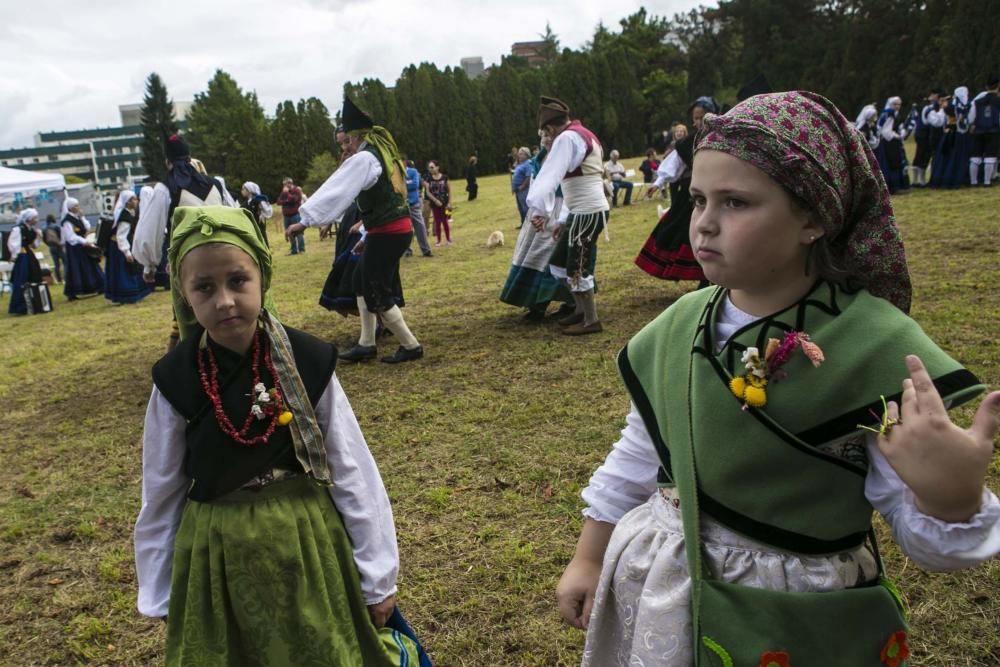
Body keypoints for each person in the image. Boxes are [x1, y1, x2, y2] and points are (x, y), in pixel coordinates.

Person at [556, 90, 1000, 667]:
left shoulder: (873, 348)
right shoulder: (676, 327)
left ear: (814, 217)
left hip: (796, 610)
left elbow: (931, 545)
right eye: (697, 200)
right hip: (667, 587)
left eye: (736, 203)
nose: (705, 225)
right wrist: (590, 556)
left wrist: (953, 495)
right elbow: (640, 452)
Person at [133, 205, 429, 666]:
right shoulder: (175, 379)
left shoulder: (307, 362)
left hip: (305, 543)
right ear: (184, 294)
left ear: (262, 277)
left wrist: (376, 577)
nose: (225, 301)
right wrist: (161, 589)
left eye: (237, 280)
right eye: (204, 288)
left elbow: (351, 467)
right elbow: (162, 489)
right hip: (218, 555)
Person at [285, 97, 424, 365]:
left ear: (356, 136)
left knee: (377, 288)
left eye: (346, 141)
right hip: (388, 230)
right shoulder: (382, 154)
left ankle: (411, 345)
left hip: (389, 232)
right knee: (362, 280)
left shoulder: (365, 159)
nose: (345, 147)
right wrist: (367, 236)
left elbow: (337, 189)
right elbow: (385, 200)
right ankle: (366, 343)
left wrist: (305, 220)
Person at [132, 133, 235, 350]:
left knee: (189, 314)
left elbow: (150, 230)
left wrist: (150, 263)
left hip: (191, 264)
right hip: (226, 257)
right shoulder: (216, 184)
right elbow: (235, 216)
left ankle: (190, 359)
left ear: (167, 161)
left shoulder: (165, 188)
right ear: (190, 157)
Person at [526, 96, 609, 336]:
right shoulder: (583, 133)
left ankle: (591, 320)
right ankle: (582, 311)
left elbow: (549, 175)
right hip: (582, 211)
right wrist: (561, 220)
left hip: (587, 212)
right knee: (560, 261)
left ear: (550, 129)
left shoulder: (567, 138)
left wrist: (540, 210)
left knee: (577, 267)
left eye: (546, 134)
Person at [634, 97, 720, 287]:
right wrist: (657, 183)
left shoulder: (724, 136)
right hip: (694, 196)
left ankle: (714, 277)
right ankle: (703, 279)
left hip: (720, 195)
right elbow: (674, 164)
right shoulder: (688, 142)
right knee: (686, 232)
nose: (698, 122)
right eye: (695, 118)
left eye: (701, 117)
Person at [499, 134, 573, 321]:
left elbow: (568, 188)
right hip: (538, 213)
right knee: (533, 256)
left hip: (558, 210)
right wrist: (536, 211)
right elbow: (536, 187)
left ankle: (569, 302)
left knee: (555, 258)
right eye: (544, 134)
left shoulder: (564, 158)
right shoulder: (538, 159)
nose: (547, 139)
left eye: (551, 135)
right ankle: (536, 303)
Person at [104, 190, 152, 305]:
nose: (136, 201)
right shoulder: (124, 216)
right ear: (128, 202)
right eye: (134, 199)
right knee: (125, 271)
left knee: (127, 271)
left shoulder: (128, 212)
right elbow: (121, 236)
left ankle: (129, 294)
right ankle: (127, 296)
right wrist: (127, 252)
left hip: (120, 246)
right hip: (120, 248)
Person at [61, 197, 105, 300]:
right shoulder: (67, 221)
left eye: (78, 205)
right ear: (70, 208)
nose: (78, 208)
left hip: (83, 246)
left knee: (91, 266)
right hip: (75, 248)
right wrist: (84, 241)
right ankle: (74, 291)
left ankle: (98, 286)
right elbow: (70, 236)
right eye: (75, 206)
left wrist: (83, 217)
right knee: (76, 268)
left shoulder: (78, 218)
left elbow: (87, 227)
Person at [930, 87, 973, 189]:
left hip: (950, 133)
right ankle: (960, 178)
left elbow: (941, 121)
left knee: (946, 156)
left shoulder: (950, 106)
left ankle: (945, 178)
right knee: (959, 155)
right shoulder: (968, 105)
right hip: (961, 134)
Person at [7, 208, 43, 314]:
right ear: (28, 219)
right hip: (22, 256)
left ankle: (35, 302)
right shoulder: (18, 229)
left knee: (34, 276)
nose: (36, 220)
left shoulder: (33, 230)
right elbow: (13, 243)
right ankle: (20, 306)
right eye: (34, 218)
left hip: (29, 255)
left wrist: (38, 237)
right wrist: (15, 255)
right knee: (22, 279)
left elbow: (34, 246)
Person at [968, 74, 1000, 186]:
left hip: (978, 131)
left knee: (975, 157)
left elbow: (971, 117)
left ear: (987, 87)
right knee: (990, 158)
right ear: (998, 86)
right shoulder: (998, 100)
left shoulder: (978, 101)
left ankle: (973, 181)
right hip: (994, 131)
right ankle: (987, 182)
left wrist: (972, 125)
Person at [876, 96, 911, 193]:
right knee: (892, 163)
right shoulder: (889, 114)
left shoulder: (889, 113)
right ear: (890, 104)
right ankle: (892, 186)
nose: (897, 106)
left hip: (890, 143)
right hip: (889, 143)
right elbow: (886, 132)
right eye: (895, 104)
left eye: (899, 104)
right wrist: (898, 136)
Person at [912, 91, 946, 187]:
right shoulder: (928, 107)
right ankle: (919, 181)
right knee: (922, 156)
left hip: (924, 133)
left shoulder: (928, 106)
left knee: (921, 156)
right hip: (924, 134)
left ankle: (918, 180)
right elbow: (933, 122)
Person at [404, 159, 433, 257]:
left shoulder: (413, 171)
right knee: (405, 228)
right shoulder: (395, 173)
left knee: (420, 226)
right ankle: (407, 250)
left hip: (413, 203)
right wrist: (407, 182)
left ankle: (426, 249)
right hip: (402, 204)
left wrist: (404, 184)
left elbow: (415, 185)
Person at [424, 160, 452, 247]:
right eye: (429, 168)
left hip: (444, 203)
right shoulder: (429, 179)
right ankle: (439, 240)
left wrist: (449, 203)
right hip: (435, 204)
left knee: (445, 221)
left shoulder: (445, 177)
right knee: (437, 221)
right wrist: (436, 201)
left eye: (432, 167)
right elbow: (428, 192)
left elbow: (449, 191)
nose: (430, 169)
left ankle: (448, 239)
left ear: (437, 167)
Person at [277, 177, 306, 255]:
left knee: (298, 232)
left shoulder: (296, 190)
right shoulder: (284, 192)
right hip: (286, 216)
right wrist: (286, 200)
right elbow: (279, 201)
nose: (284, 186)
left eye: (285, 184)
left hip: (295, 215)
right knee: (289, 233)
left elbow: (294, 200)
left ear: (290, 183)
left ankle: (301, 249)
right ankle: (293, 250)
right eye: (284, 185)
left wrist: (286, 195)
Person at [240, 181, 272, 246]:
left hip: (258, 228)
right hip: (249, 228)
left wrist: (262, 215)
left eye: (243, 189)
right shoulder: (244, 204)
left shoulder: (258, 200)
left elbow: (268, 211)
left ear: (249, 190)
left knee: (263, 245)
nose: (242, 191)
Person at [511, 147, 532, 227]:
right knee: (521, 208)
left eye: (521, 154)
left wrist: (522, 186)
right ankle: (523, 223)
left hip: (524, 190)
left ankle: (528, 224)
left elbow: (528, 176)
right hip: (518, 190)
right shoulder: (520, 164)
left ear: (526, 155)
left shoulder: (528, 164)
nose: (519, 155)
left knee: (525, 207)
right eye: (519, 154)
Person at [41, 213, 64, 283]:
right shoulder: (56, 227)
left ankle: (59, 279)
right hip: (59, 246)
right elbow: (61, 236)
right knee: (65, 262)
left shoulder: (44, 228)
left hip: (51, 247)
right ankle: (67, 278)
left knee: (56, 264)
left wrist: (48, 244)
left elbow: (44, 239)